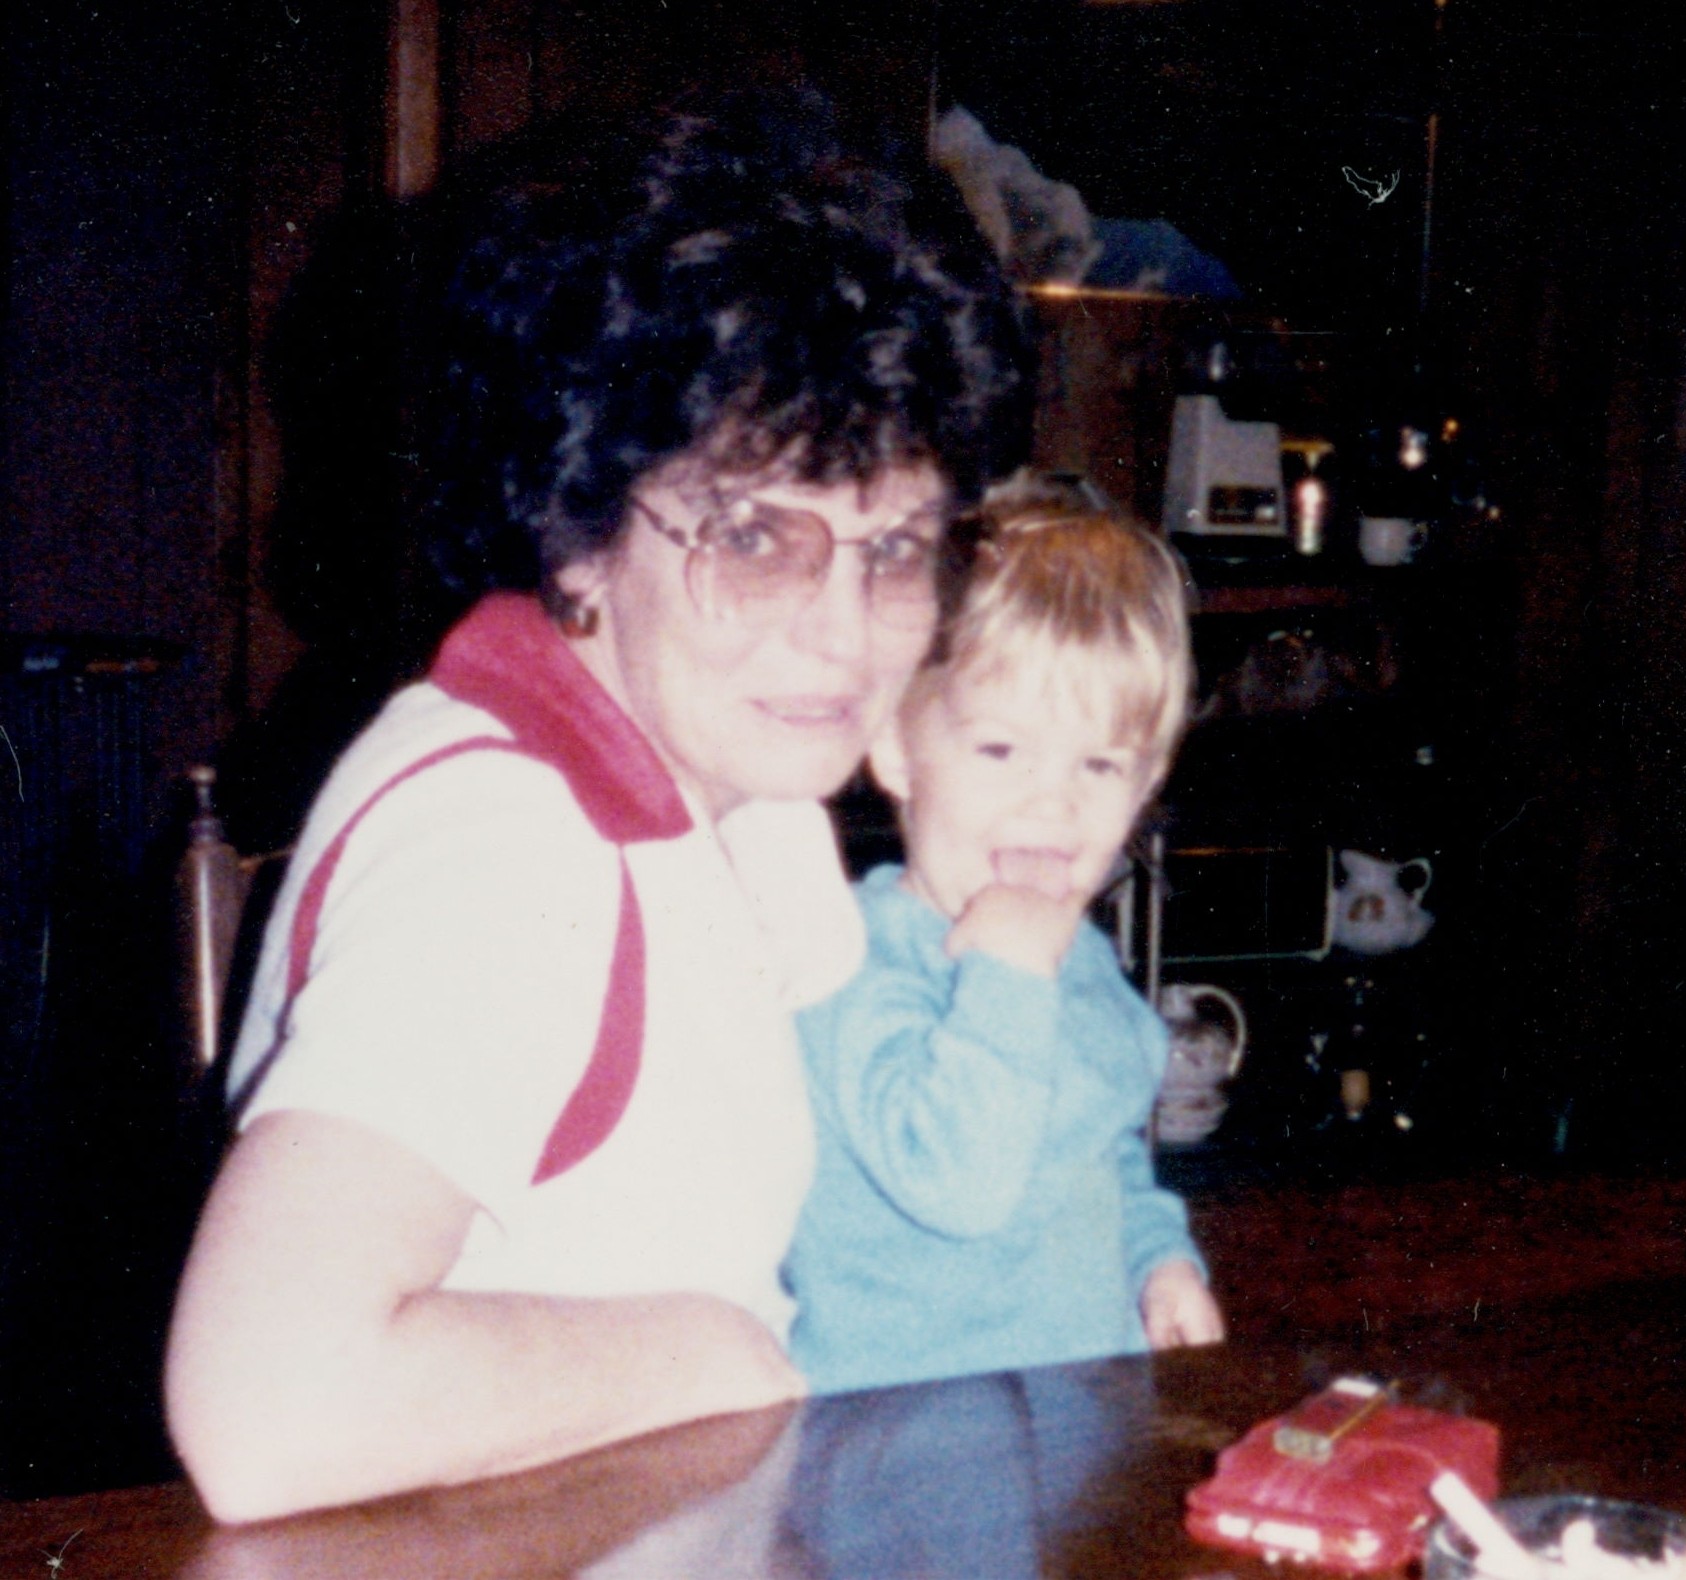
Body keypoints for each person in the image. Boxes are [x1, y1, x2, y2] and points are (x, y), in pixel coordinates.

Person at [162, 86, 1031, 1523]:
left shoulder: (735, 790)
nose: (843, 635)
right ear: (579, 524)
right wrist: (719, 1356)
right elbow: (267, 1406)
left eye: (894, 551)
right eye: (754, 539)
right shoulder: (506, 845)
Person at [784, 487, 1225, 1395]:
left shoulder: (1074, 954)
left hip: (1080, 1415)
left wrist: (1156, 1257)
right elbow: (959, 1185)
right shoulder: (846, 961)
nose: (1052, 801)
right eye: (999, 751)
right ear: (896, 748)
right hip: (897, 1439)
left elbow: (1097, 1143)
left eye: (1099, 764)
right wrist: (1011, 970)